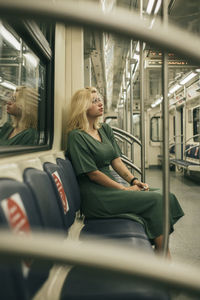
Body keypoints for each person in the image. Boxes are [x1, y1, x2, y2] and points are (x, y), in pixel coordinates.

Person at [66, 87, 184, 256]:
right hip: (97, 195)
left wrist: (134, 181)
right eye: (94, 101)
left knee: (167, 197)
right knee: (157, 200)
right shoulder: (76, 136)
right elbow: (93, 174)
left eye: (100, 99)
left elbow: (116, 161)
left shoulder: (104, 129)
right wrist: (123, 189)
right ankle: (163, 255)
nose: (100, 103)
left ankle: (161, 252)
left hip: (110, 187)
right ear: (82, 107)